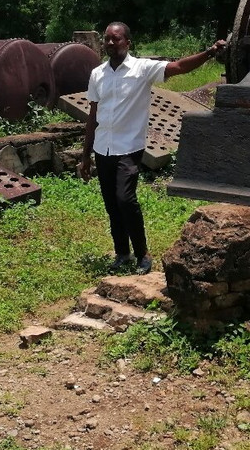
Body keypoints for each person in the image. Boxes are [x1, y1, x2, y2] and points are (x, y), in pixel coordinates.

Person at [78, 22, 226, 274]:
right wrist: (85, 156)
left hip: (128, 148)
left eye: (116, 39)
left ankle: (142, 253)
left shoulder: (142, 69)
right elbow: (93, 115)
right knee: (112, 204)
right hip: (103, 148)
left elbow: (178, 67)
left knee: (126, 199)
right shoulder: (98, 74)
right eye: (107, 39)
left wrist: (210, 52)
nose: (110, 43)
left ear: (127, 43)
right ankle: (122, 253)